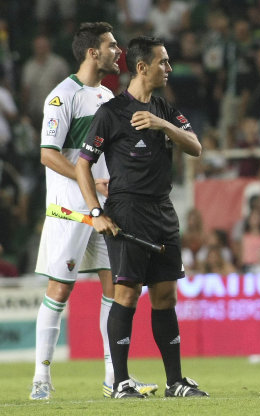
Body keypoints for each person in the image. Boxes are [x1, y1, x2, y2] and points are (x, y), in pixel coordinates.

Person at [75, 36, 207, 399]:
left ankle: (175, 382)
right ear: (142, 67)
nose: (169, 68)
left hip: (163, 210)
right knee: (127, 294)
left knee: (165, 295)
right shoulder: (111, 113)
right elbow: (83, 165)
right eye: (163, 62)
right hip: (127, 211)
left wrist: (162, 126)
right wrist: (96, 212)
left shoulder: (164, 108)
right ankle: (119, 382)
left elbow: (195, 146)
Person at [30, 22, 156, 401]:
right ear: (91, 52)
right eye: (111, 45)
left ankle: (114, 377)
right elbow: (48, 154)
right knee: (59, 289)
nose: (119, 52)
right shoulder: (61, 96)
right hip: (70, 209)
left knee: (115, 287)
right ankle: (41, 378)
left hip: (105, 209)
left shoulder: (107, 96)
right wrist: (90, 182)